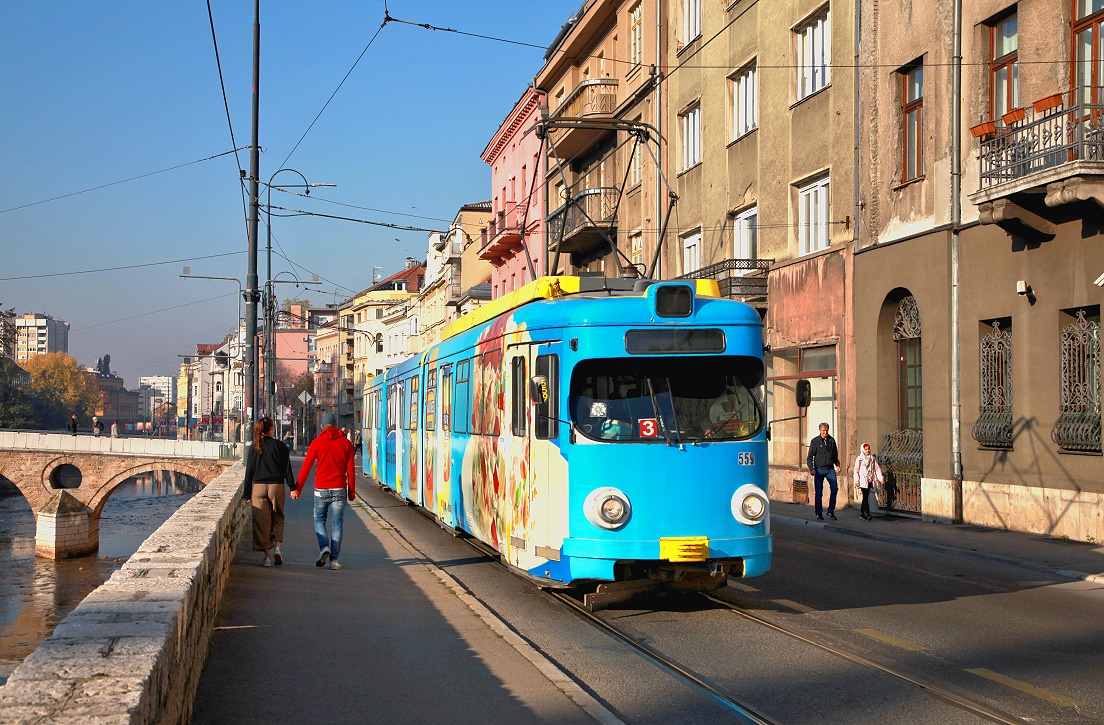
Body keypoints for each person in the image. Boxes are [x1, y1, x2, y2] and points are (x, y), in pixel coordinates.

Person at [292, 412, 356, 571]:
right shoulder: (346, 444)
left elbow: (306, 468)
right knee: (337, 525)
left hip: (320, 489)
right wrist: (351, 492)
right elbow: (351, 471)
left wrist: (297, 489)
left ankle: (324, 548)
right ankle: (334, 560)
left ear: (322, 426)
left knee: (319, 520)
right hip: (339, 488)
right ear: (336, 425)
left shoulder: (316, 443)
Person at [243, 417, 295, 567]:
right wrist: (293, 487)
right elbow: (287, 469)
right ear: (271, 429)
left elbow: (249, 472)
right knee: (278, 516)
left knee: (262, 521)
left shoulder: (255, 446)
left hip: (258, 487)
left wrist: (247, 493)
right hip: (276, 486)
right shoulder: (279, 446)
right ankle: (277, 548)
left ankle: (266, 557)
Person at [806, 422, 841, 521]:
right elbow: (810, 456)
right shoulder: (815, 441)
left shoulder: (832, 441)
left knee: (834, 489)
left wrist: (837, 465)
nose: (825, 432)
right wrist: (812, 468)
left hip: (830, 469)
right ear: (820, 430)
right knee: (819, 492)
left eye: (826, 430)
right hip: (819, 469)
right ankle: (818, 513)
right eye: (823, 431)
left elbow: (834, 455)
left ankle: (830, 511)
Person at [853, 442, 883, 521]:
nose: (867, 451)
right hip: (863, 481)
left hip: (870, 480)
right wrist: (857, 481)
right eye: (865, 449)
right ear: (862, 450)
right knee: (865, 497)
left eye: (868, 449)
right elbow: (856, 470)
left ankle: (862, 513)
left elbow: (877, 469)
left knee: (865, 497)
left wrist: (880, 479)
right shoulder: (859, 459)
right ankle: (867, 513)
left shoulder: (872, 458)